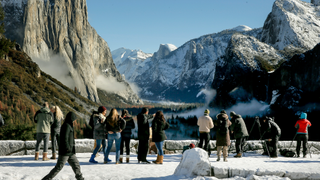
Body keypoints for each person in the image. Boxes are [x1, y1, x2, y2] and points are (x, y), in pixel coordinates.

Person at [42, 112, 84, 180]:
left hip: (70, 152)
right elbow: (64, 138)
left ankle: (80, 178)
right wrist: (67, 148)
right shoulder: (66, 126)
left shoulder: (69, 125)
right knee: (58, 167)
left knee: (76, 165)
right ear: (71, 119)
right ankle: (46, 179)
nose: (74, 121)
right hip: (65, 151)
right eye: (74, 119)